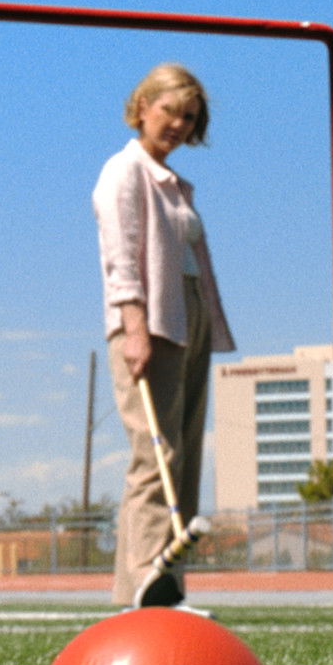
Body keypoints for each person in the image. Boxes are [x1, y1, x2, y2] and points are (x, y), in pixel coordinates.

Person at [93, 63, 235, 610]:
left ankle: (166, 585)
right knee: (156, 453)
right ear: (143, 107)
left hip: (188, 317)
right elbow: (121, 257)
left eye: (190, 117)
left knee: (185, 455)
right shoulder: (123, 171)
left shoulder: (173, 184)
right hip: (149, 322)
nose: (178, 124)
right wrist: (134, 328)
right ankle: (142, 578)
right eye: (170, 110)